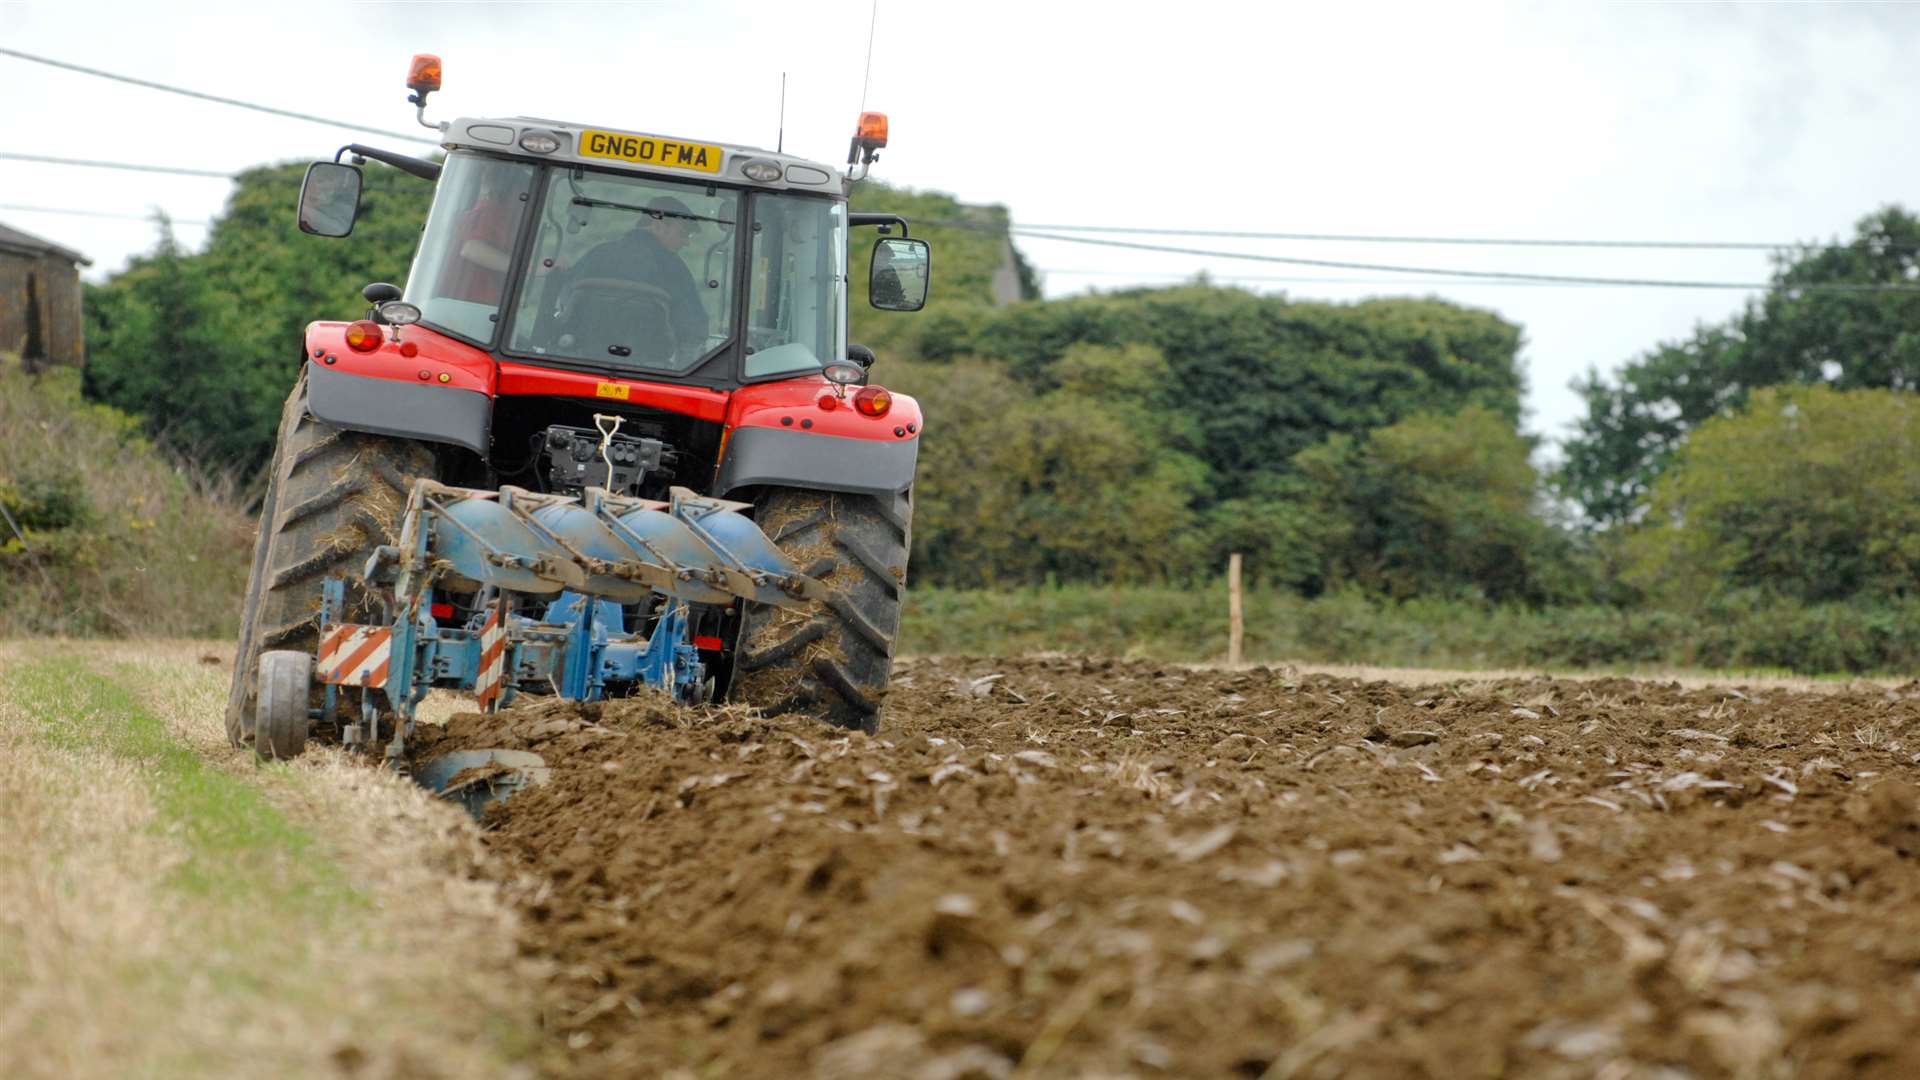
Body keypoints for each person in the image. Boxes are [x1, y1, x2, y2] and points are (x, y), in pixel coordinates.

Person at [566, 195, 709, 359]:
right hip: (649, 366)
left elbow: (565, 302)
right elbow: (693, 327)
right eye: (683, 234)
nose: (686, 242)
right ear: (658, 226)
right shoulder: (675, 269)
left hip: (580, 356)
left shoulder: (598, 254)